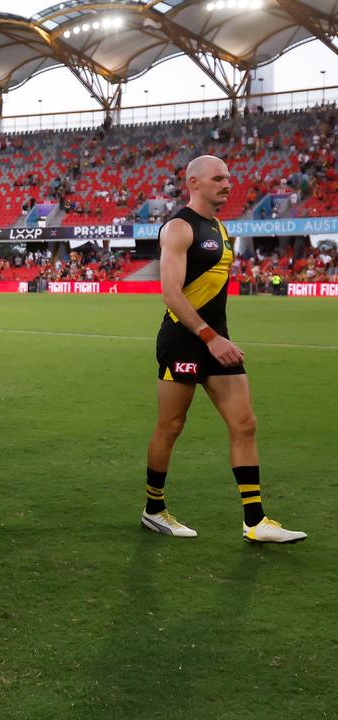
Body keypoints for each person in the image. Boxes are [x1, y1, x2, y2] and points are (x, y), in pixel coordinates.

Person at [143, 155, 305, 544]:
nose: (228, 184)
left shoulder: (220, 228)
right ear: (194, 183)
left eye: (229, 178)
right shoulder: (179, 228)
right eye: (218, 178)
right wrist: (209, 336)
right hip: (184, 340)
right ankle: (154, 509)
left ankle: (255, 521)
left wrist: (217, 338)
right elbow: (170, 292)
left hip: (217, 344)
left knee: (245, 424)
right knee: (172, 426)